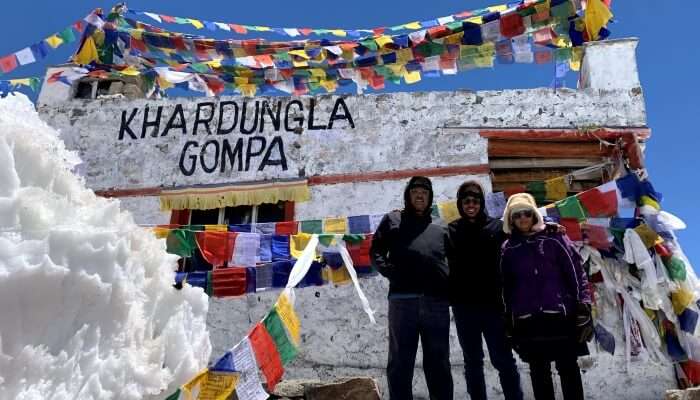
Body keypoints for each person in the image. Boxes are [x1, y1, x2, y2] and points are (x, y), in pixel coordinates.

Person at [499, 193, 593, 400]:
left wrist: (584, 304)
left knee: (568, 367)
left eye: (526, 213)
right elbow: (507, 286)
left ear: (534, 215)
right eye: (517, 215)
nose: (522, 218)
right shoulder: (508, 248)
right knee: (538, 371)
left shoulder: (554, 238)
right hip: (528, 318)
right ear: (511, 219)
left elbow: (576, 271)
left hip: (559, 313)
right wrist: (508, 317)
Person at [371, 176, 453, 400]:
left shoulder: (440, 227)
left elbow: (454, 259)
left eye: (425, 193)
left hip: (436, 303)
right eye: (415, 191)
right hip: (402, 301)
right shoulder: (393, 219)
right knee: (400, 361)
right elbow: (376, 250)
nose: (420, 195)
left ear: (430, 198)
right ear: (408, 195)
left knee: (439, 361)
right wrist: (391, 272)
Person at [446, 181, 523, 400]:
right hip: (464, 308)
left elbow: (524, 236)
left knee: (503, 359)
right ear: (460, 204)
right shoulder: (450, 231)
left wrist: (550, 227)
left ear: (481, 202)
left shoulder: (497, 228)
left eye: (475, 200)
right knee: (472, 361)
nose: (471, 205)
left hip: (494, 307)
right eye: (466, 201)